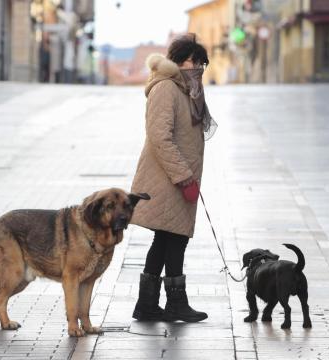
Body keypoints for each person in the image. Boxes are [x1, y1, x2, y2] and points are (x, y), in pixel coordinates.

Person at [130, 34, 216, 323]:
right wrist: (184, 177)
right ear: (179, 61)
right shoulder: (166, 88)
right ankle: (176, 304)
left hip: (177, 178)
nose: (199, 69)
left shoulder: (185, 89)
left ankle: (147, 305)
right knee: (175, 240)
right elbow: (159, 137)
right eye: (195, 62)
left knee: (165, 239)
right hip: (169, 179)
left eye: (202, 63)